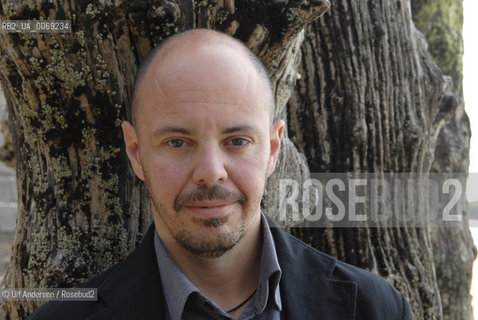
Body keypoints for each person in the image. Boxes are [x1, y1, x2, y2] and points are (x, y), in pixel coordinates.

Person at [29, 29, 413, 320]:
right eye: (178, 142)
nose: (210, 173)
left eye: (238, 140)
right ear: (136, 152)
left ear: (273, 149)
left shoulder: (374, 309)